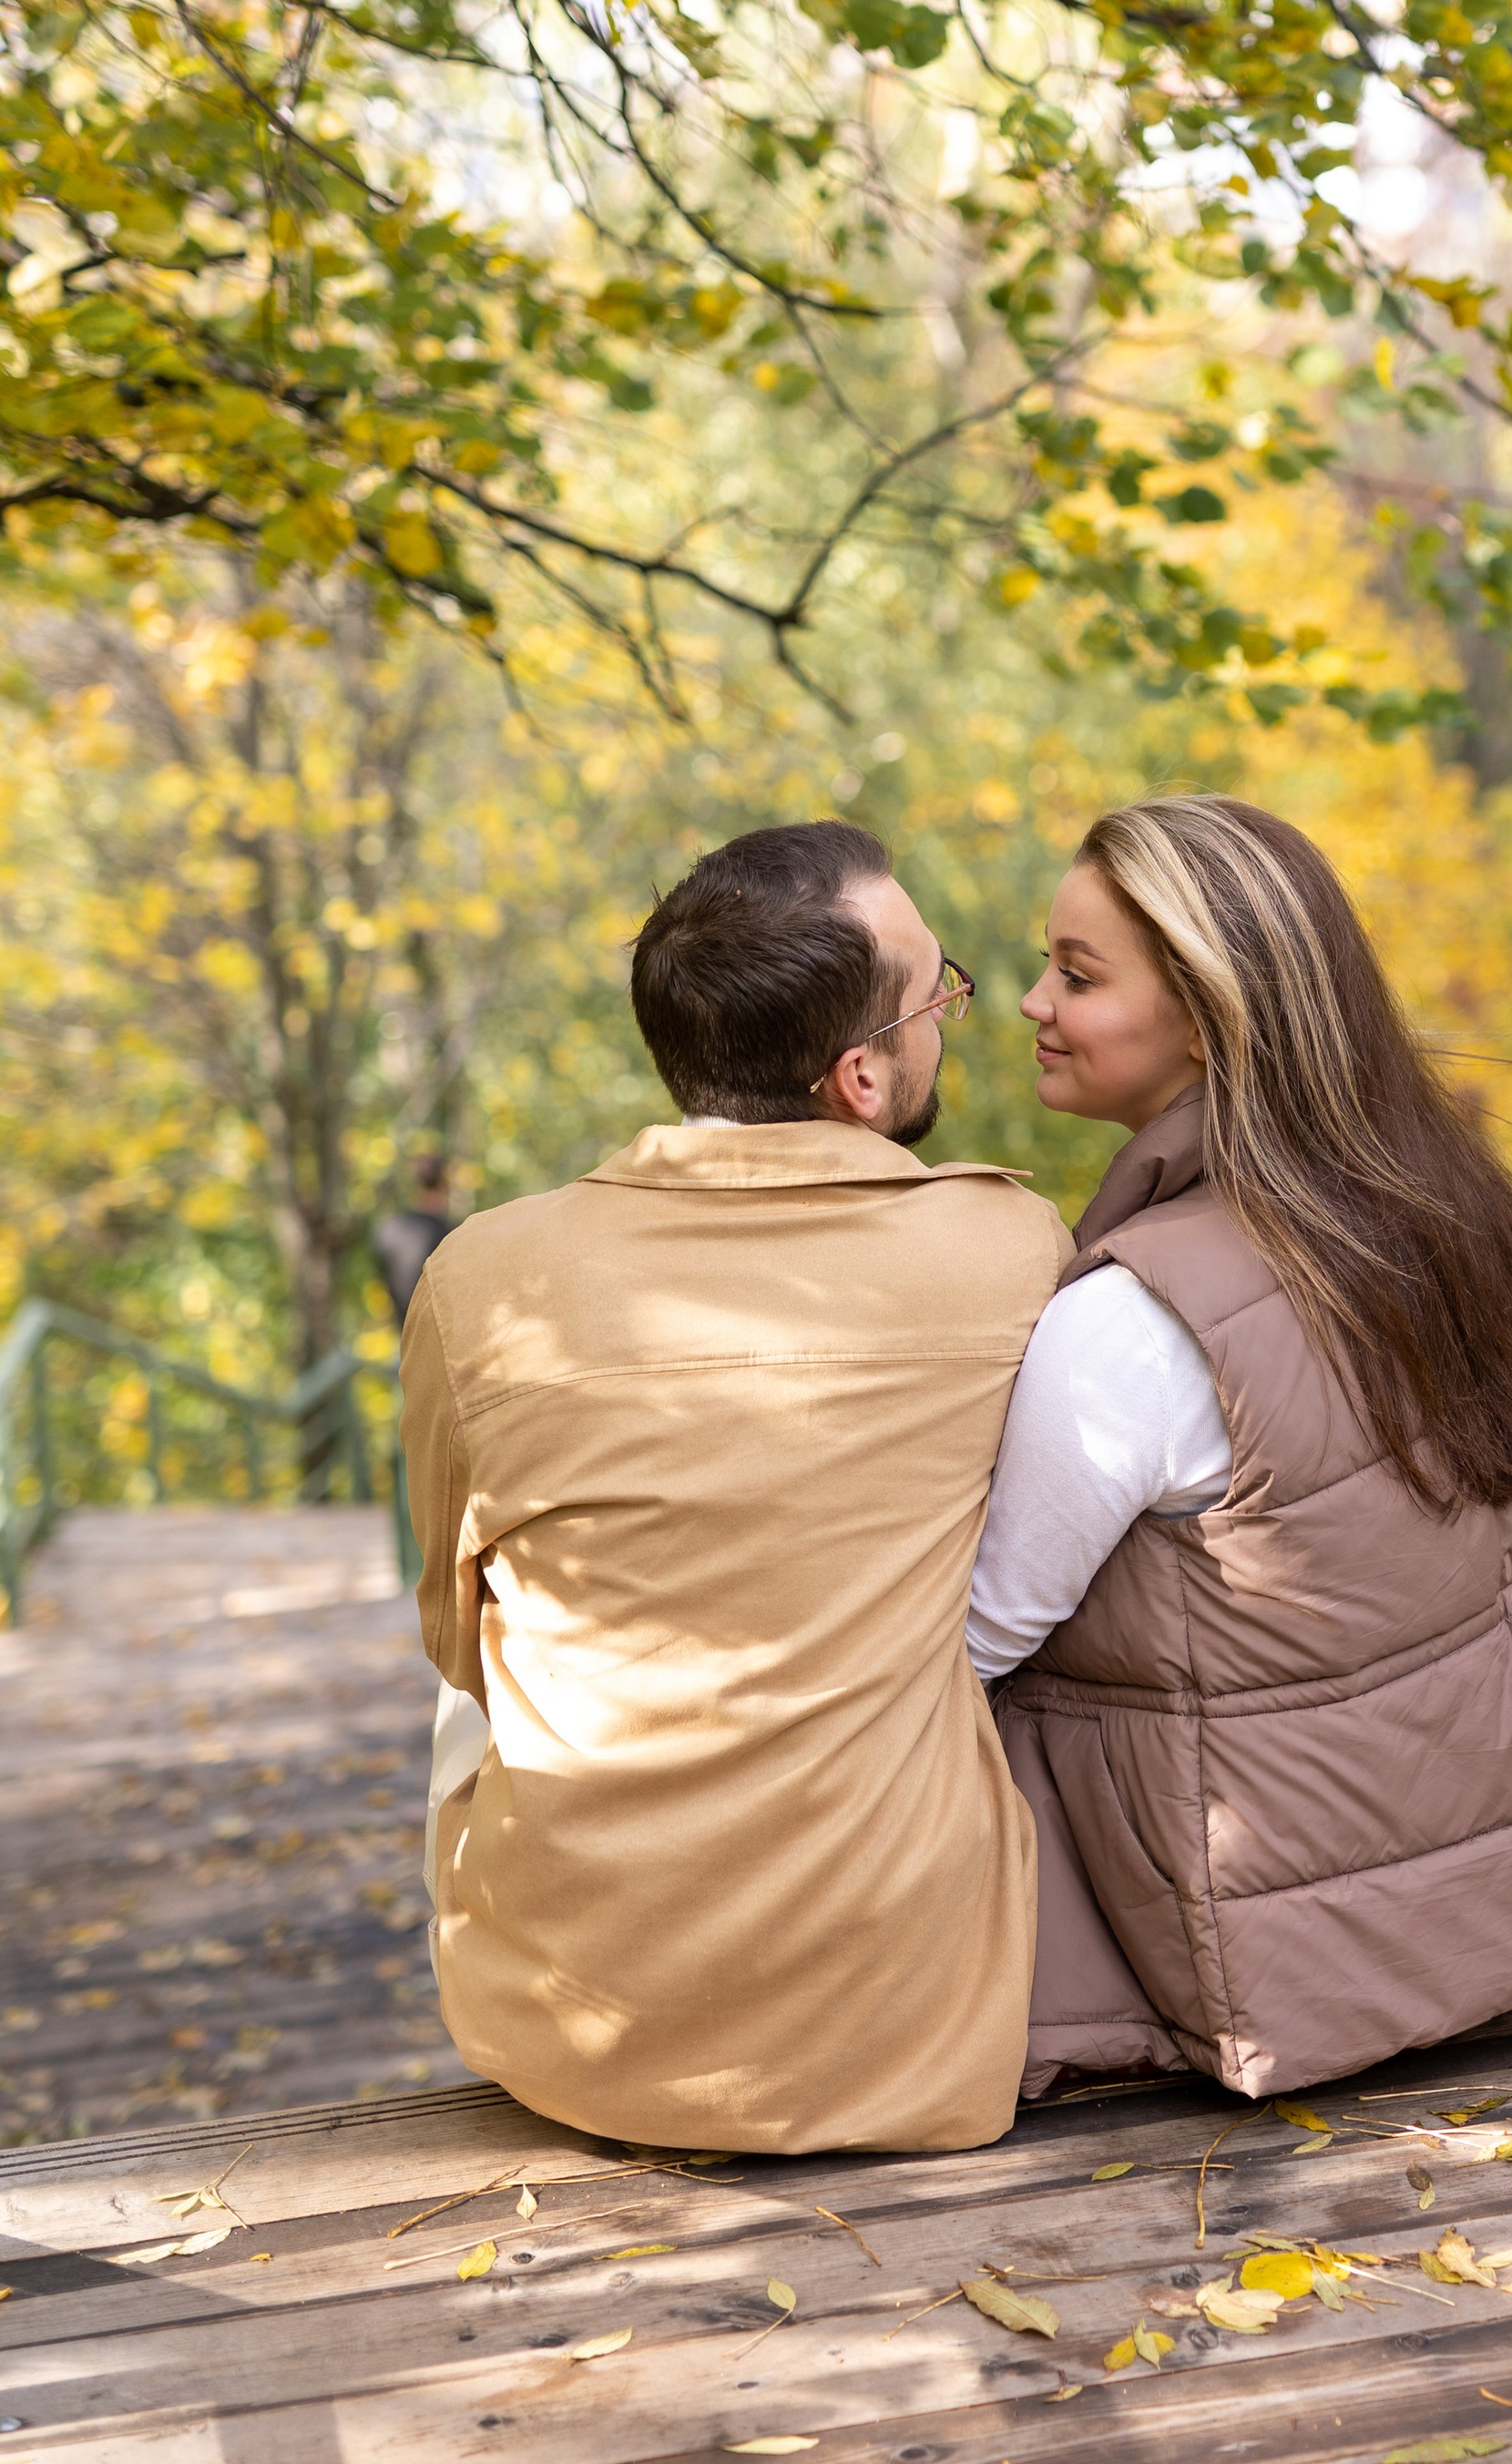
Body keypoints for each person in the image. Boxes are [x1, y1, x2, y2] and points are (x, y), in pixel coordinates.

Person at [977, 795, 1512, 2098]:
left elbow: (977, 1636)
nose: (1032, 1002)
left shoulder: (1134, 1325)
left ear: (1204, 1013)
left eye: (1075, 974)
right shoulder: (1449, 1207)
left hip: (1281, 1976)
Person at [401, 821, 1070, 2154]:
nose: (955, 1017)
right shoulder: (1009, 1246)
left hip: (568, 2044)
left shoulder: (485, 1280)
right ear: (863, 1078)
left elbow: (456, 1640)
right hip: (910, 2037)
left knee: (480, 1658)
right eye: (940, 992)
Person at [372, 1154, 453, 1325]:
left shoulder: (390, 1229)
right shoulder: (447, 1235)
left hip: (404, 1332)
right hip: (437, 1332)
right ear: (443, 1186)